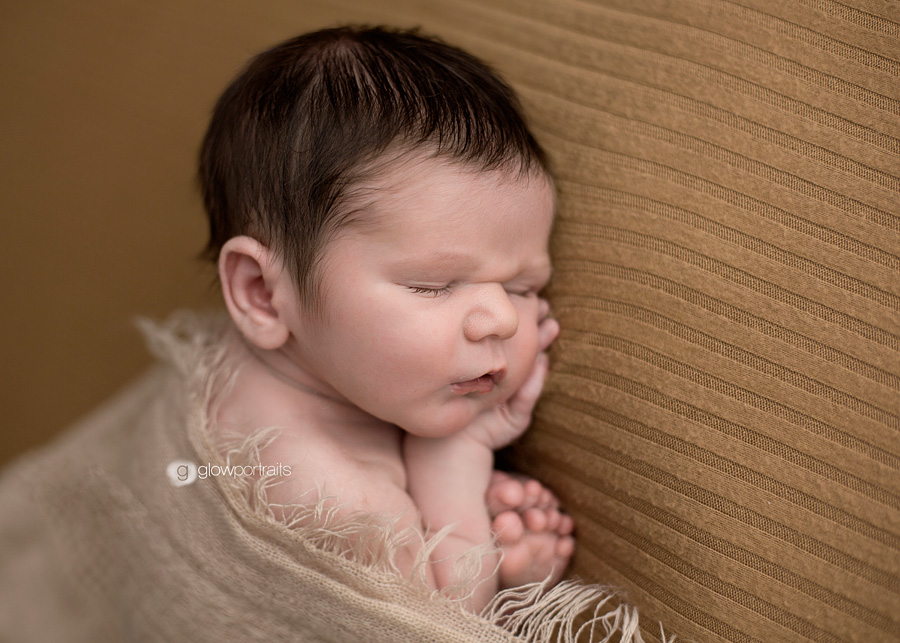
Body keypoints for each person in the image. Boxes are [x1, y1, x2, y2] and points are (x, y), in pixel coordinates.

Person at [199, 25, 575, 612]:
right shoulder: (326, 496)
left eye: (523, 286)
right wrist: (456, 456)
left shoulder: (282, 367)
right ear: (263, 296)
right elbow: (443, 618)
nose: (500, 319)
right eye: (433, 284)